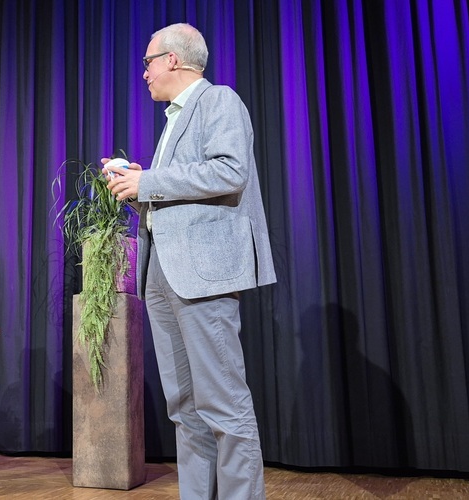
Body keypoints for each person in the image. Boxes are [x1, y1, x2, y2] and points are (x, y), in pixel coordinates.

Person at [102, 23, 277, 500]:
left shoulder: (218, 100)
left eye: (148, 62)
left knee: (222, 401)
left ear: (174, 60)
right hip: (162, 269)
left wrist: (150, 183)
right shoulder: (173, 120)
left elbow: (230, 170)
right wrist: (139, 184)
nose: (144, 73)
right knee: (183, 406)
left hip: (202, 272)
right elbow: (181, 190)